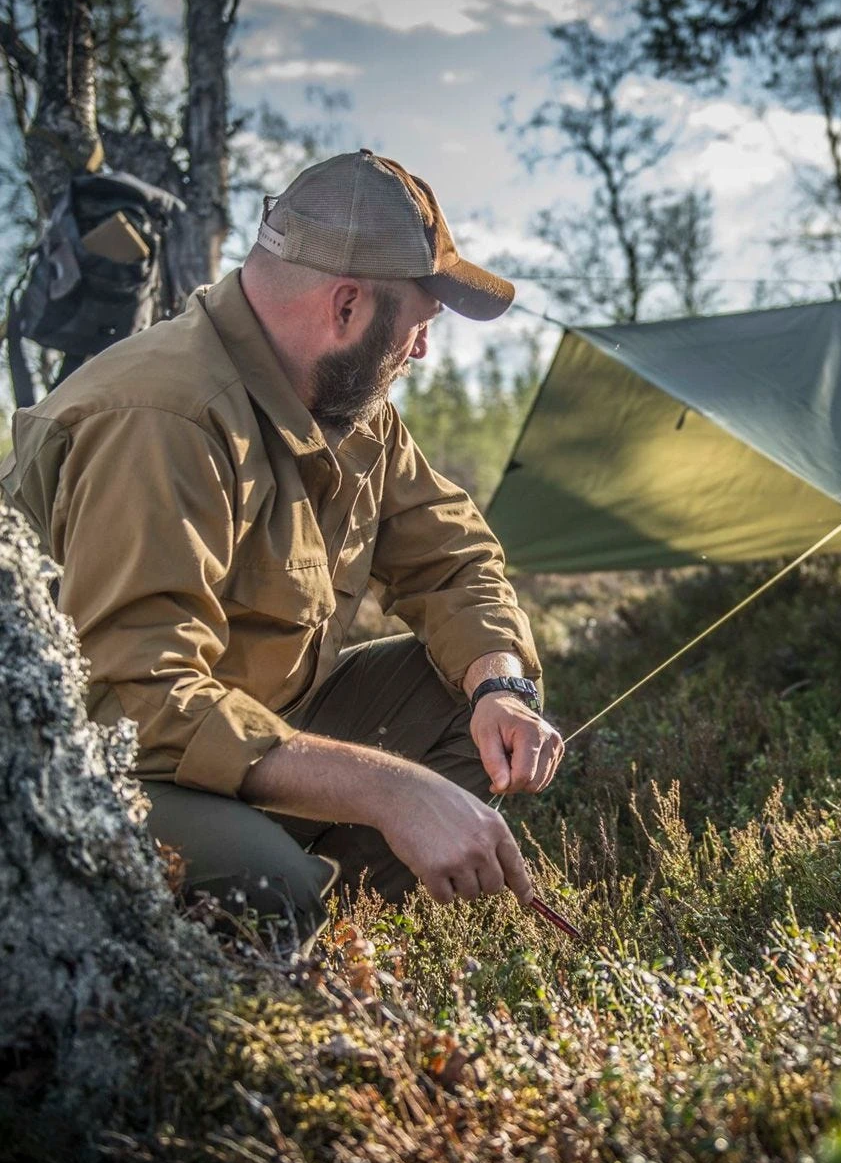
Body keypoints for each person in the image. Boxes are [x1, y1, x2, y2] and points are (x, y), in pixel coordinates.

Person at [0, 149, 564, 948]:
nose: (421, 353)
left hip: (240, 733)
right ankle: (258, 955)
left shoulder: (349, 407)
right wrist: (389, 791)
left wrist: (499, 688)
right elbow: (130, 701)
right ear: (345, 307)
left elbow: (453, 559)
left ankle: (335, 948)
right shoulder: (164, 420)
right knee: (270, 888)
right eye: (417, 327)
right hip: (85, 764)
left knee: (464, 704)